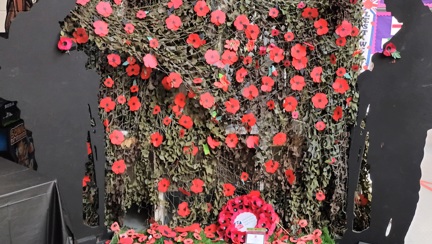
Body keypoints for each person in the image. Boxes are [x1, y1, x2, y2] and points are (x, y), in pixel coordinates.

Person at [343, 0, 432, 243]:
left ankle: (396, 236)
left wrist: (380, 75)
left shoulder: (426, 27)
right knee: (382, 171)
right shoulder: (413, 25)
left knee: (403, 175)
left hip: (408, 117)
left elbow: (413, 75)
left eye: (392, 3)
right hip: (390, 115)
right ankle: (378, 230)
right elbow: (396, 61)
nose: (390, 10)